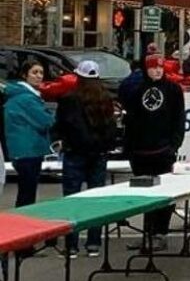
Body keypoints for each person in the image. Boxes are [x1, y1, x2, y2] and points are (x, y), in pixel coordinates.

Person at [53, 61, 117, 253]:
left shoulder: (68, 99)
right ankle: (93, 243)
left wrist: (64, 142)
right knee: (95, 199)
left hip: (75, 153)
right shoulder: (105, 98)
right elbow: (112, 127)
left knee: (72, 198)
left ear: (78, 77)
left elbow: (61, 126)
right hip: (98, 154)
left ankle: (71, 244)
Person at [119, 54, 186, 237]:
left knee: (165, 194)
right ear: (146, 69)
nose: (157, 70)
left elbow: (179, 119)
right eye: (153, 67)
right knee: (145, 196)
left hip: (163, 150)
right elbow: (130, 120)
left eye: (160, 67)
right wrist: (130, 148)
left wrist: (174, 144)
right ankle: (148, 233)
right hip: (141, 152)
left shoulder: (173, 90)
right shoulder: (137, 90)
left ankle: (161, 232)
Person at [2, 59, 55, 215]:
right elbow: (46, 121)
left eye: (41, 73)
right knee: (27, 193)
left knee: (26, 191)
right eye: (34, 72)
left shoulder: (19, 95)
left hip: (22, 149)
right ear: (25, 75)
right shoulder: (27, 98)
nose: (39, 76)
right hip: (29, 149)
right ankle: (23, 225)